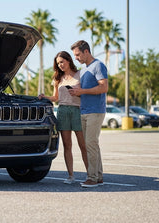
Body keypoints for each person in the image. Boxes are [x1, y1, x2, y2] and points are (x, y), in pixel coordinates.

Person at [39, 51, 88, 184]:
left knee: (83, 145)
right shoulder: (57, 78)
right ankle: (71, 176)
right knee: (67, 145)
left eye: (62, 62)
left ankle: (91, 174)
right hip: (62, 111)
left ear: (68, 60)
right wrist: (45, 97)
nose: (60, 65)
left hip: (77, 111)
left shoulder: (80, 74)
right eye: (58, 63)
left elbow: (86, 94)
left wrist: (78, 93)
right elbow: (56, 98)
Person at [69, 40, 108, 188]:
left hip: (95, 111)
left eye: (78, 54)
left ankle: (92, 178)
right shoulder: (84, 69)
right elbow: (86, 91)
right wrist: (76, 92)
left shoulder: (98, 65)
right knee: (92, 144)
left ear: (86, 51)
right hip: (84, 110)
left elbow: (103, 88)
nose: (76, 58)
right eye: (75, 55)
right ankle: (98, 176)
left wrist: (82, 91)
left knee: (90, 144)